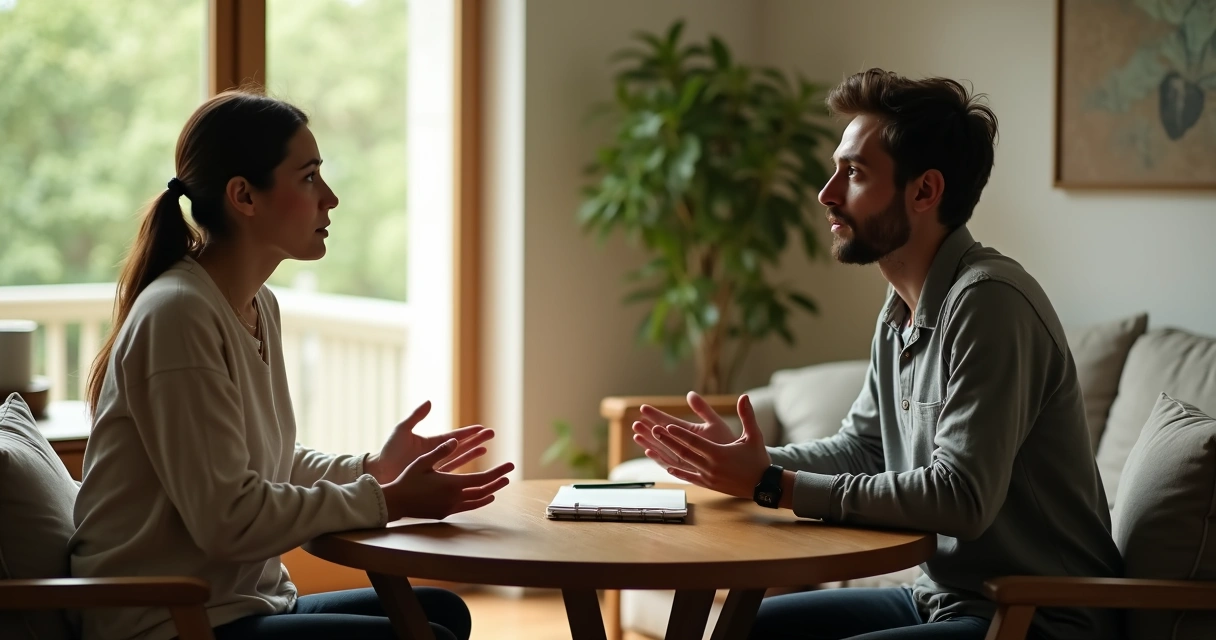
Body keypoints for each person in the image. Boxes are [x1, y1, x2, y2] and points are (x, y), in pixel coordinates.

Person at [631, 69, 1122, 640]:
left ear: (924, 191)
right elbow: (863, 448)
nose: (827, 192)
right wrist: (752, 459)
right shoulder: (901, 308)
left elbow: (960, 497)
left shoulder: (990, 303)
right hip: (942, 602)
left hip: (1037, 618)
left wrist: (773, 484)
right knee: (744, 629)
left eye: (855, 173)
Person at [70, 89, 514, 640]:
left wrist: (373, 468)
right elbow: (228, 518)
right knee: (430, 635)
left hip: (237, 604)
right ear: (244, 196)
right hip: (168, 620)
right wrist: (388, 500)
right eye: (308, 177)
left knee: (443, 612)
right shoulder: (178, 315)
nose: (330, 198)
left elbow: (258, 463)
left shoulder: (256, 305)